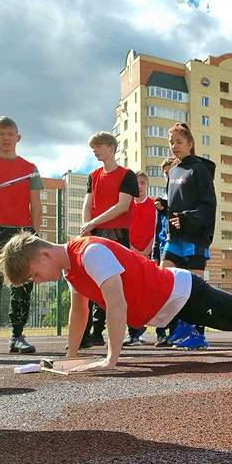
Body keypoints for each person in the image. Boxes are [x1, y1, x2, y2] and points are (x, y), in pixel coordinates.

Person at [0, 232, 232, 371]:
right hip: (165, 308)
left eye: (34, 274)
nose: (38, 281)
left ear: (45, 254)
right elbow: (80, 312)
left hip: (184, 294)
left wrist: (111, 357)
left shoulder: (90, 253)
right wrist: (72, 355)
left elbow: (116, 305)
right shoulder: (70, 271)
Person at [81, 131, 139, 348]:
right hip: (94, 233)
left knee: (115, 283)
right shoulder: (93, 175)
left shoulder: (127, 175)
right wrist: (86, 227)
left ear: (112, 148)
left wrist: (92, 223)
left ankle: (109, 331)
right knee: (91, 281)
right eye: (93, 147)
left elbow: (123, 206)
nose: (95, 150)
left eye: (99, 146)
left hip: (116, 235)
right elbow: (88, 204)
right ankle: (89, 334)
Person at [161, 123, 216, 350]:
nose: (174, 147)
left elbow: (208, 205)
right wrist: (163, 205)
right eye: (171, 142)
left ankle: (197, 333)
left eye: (179, 142)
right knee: (165, 277)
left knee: (195, 286)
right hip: (174, 238)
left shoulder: (200, 169)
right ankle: (179, 327)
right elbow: (174, 200)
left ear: (190, 144)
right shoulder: (173, 171)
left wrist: (185, 217)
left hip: (195, 237)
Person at [0, 116, 42, 355]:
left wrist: (35, 234)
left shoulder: (30, 169)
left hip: (21, 233)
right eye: (1, 134)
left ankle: (17, 336)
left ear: (18, 138)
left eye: (10, 134)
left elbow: (36, 204)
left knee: (22, 284)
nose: (6, 139)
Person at [122, 171, 158, 346]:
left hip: (150, 253)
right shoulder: (125, 206)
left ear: (147, 185)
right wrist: (134, 250)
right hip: (131, 254)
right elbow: (123, 231)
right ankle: (134, 333)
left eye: (143, 183)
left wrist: (147, 250)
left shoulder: (154, 205)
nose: (139, 186)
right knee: (130, 292)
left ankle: (162, 332)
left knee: (152, 292)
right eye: (136, 183)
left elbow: (157, 229)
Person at [152, 157, 177, 347]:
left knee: (175, 291)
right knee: (160, 292)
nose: (168, 175)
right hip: (161, 249)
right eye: (165, 173)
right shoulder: (161, 199)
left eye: (171, 172)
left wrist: (166, 207)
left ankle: (175, 331)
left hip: (176, 249)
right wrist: (154, 252)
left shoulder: (179, 195)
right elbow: (157, 228)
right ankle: (161, 332)